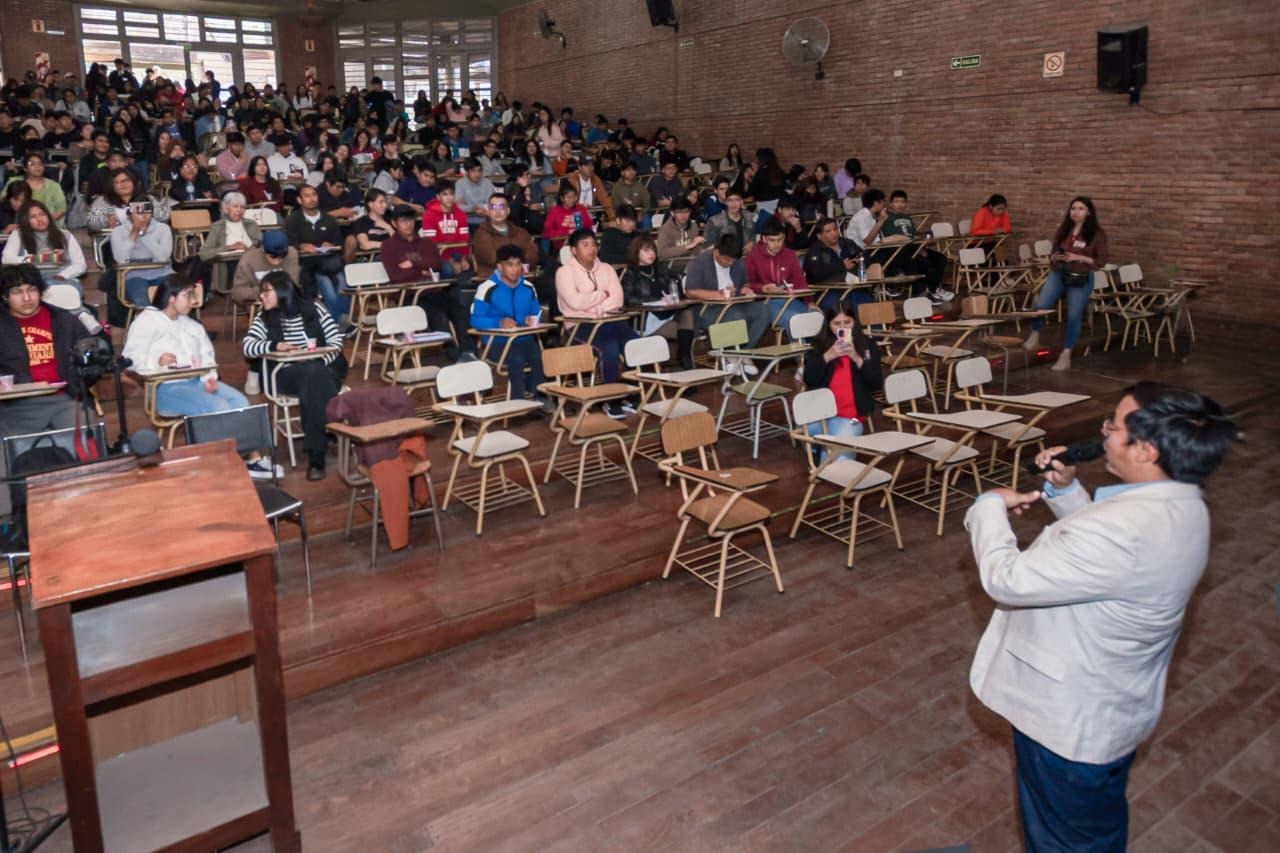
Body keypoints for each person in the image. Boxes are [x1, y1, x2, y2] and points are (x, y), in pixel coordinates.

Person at [966, 383, 1241, 853]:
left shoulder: (1124, 530)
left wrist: (988, 507)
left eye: (1115, 423)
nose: (1105, 429)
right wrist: (1067, 489)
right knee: (1094, 828)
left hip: (1069, 721)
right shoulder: (1183, 504)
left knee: (1063, 841)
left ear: (1147, 449)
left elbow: (1007, 579)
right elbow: (1107, 565)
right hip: (1113, 707)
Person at [121, 275, 283, 479]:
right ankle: (230, 463)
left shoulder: (191, 325)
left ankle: (252, 459)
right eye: (188, 296)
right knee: (218, 408)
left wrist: (210, 377)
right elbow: (129, 358)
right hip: (165, 387)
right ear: (171, 297)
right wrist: (156, 360)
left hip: (196, 381)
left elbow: (207, 356)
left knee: (240, 402)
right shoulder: (147, 320)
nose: (193, 302)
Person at [242, 271, 346, 480]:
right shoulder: (264, 317)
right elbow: (248, 347)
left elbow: (336, 342)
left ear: (282, 291)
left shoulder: (314, 309)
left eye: (266, 291)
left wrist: (317, 361)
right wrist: (275, 345)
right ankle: (328, 432)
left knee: (313, 374)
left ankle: (317, 455)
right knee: (314, 375)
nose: (262, 296)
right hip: (284, 375)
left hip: (321, 369)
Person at [555, 229, 636, 417]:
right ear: (574, 250)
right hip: (579, 325)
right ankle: (610, 399)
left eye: (593, 244)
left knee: (635, 343)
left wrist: (597, 305)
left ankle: (629, 393)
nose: (591, 248)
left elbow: (618, 299)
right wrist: (601, 296)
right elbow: (574, 302)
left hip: (609, 319)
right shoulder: (564, 272)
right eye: (585, 245)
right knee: (609, 348)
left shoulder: (606, 268)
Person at [1024, 196, 1110, 371]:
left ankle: (1066, 354)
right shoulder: (1064, 229)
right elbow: (1054, 250)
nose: (1076, 212)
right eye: (1073, 208)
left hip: (1080, 276)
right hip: (1059, 272)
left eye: (1080, 208)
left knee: (1073, 315)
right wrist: (1055, 257)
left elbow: (1100, 261)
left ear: (1089, 212)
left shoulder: (1097, 234)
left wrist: (1078, 257)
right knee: (1041, 305)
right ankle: (1035, 334)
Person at [381, 204, 475, 362]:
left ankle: (470, 353)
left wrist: (413, 265)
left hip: (434, 291)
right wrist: (423, 270)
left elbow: (436, 264)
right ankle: (456, 358)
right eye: (403, 221)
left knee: (461, 311)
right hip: (410, 295)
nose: (408, 224)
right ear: (394, 223)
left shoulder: (426, 242)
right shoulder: (389, 246)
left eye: (410, 220)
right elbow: (396, 275)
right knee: (439, 318)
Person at [470, 244, 554, 413]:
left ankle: (538, 395)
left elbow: (536, 311)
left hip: (524, 338)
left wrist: (533, 318)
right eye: (510, 264)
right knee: (516, 358)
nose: (515, 269)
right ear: (500, 267)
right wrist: (498, 322)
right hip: (497, 342)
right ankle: (518, 401)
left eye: (518, 264)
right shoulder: (487, 288)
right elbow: (475, 319)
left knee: (539, 356)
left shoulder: (528, 287)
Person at [801, 305, 882, 461]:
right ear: (828, 325)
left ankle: (824, 448)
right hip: (820, 413)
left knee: (834, 465)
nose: (843, 327)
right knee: (805, 428)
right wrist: (828, 356)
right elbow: (810, 379)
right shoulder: (819, 345)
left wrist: (857, 358)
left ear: (855, 322)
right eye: (837, 324)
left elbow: (875, 383)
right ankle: (818, 445)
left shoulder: (867, 346)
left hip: (850, 416)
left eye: (847, 322)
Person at [683, 234, 771, 357]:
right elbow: (690, 292)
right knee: (736, 316)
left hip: (735, 303)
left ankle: (743, 352)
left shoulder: (737, 262)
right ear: (716, 252)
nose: (730, 263)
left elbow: (745, 282)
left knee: (764, 310)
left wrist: (746, 289)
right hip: (708, 308)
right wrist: (718, 294)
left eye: (733, 261)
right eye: (727, 260)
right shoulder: (699, 263)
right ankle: (731, 354)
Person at [621, 235, 695, 369]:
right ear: (636, 253)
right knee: (685, 331)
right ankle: (684, 362)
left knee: (687, 314)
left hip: (668, 312)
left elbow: (676, 287)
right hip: (647, 318)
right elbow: (628, 299)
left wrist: (673, 296)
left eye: (653, 250)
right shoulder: (630, 274)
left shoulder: (660, 268)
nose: (651, 254)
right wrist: (655, 301)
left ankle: (684, 359)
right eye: (646, 250)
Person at [284, 183, 349, 323]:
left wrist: (331, 245)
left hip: (330, 261)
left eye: (313, 194)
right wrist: (301, 246)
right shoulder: (293, 220)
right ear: (299, 200)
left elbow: (340, 243)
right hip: (308, 265)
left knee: (343, 284)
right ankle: (335, 323)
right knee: (326, 285)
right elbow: (289, 244)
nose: (311, 199)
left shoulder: (329, 219)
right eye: (306, 196)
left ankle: (344, 320)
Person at [744, 220, 817, 340]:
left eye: (780, 240)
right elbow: (747, 284)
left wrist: (810, 302)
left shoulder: (790, 254)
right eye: (772, 240)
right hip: (765, 302)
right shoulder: (753, 256)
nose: (777, 244)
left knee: (816, 316)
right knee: (793, 320)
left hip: (788, 299)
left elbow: (799, 281)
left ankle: (816, 355)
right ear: (764, 239)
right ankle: (802, 356)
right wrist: (762, 288)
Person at [880, 189, 952, 302]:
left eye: (902, 202)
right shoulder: (886, 218)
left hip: (914, 246)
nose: (899, 204)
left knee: (940, 258)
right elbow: (890, 237)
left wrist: (921, 247)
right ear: (890, 203)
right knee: (923, 263)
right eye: (896, 201)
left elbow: (913, 235)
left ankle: (934, 289)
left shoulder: (907, 218)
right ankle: (923, 292)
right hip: (899, 249)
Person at [2, 201, 86, 290]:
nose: (39, 219)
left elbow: (80, 264)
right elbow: (7, 259)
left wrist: (61, 276)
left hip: (63, 279)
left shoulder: (65, 234)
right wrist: (36, 258)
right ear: (25, 220)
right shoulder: (18, 234)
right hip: (30, 282)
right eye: (33, 217)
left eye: (42, 214)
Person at [110, 200, 173, 309]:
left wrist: (144, 235)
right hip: (132, 275)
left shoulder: (163, 228)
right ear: (129, 213)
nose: (143, 216)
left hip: (162, 272)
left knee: (171, 298)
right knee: (142, 299)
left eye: (147, 211)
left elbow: (163, 257)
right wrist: (134, 232)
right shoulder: (118, 231)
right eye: (138, 211)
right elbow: (121, 259)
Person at [471, 192, 538, 283]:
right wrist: (518, 258)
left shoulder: (521, 232)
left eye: (502, 207)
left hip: (522, 280)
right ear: (488, 212)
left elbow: (532, 256)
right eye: (493, 207)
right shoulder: (481, 234)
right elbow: (491, 258)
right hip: (493, 282)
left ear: (508, 211)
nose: (498, 211)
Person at [803, 217, 861, 307]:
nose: (833, 233)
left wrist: (858, 261)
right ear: (819, 236)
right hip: (828, 291)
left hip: (854, 287)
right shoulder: (815, 251)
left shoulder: (847, 243)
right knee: (837, 305)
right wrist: (841, 266)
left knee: (866, 301)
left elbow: (865, 256)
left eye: (835, 229)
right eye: (828, 231)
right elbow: (815, 274)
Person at [420, 180, 472, 274]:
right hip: (438, 254)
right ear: (438, 197)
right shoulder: (429, 215)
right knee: (449, 269)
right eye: (445, 194)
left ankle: (462, 287)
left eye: (451, 194)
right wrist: (451, 261)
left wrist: (464, 258)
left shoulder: (460, 214)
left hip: (457, 252)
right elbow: (432, 244)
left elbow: (464, 238)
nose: (449, 198)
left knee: (470, 264)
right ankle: (450, 288)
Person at [6, 152, 66, 222]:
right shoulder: (14, 181)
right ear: (25, 168)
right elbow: (3, 199)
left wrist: (42, 221)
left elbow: (61, 209)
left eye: (40, 164)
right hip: (19, 224)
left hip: (47, 224)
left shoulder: (53, 185)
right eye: (32, 164)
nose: (37, 166)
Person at [560, 155, 613, 222]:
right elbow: (567, 203)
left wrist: (612, 218)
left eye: (592, 165)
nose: (590, 168)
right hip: (575, 216)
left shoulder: (595, 180)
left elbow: (605, 200)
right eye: (586, 165)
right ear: (579, 167)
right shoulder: (572, 181)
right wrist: (580, 207)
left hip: (591, 216)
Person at [542, 185, 594, 252]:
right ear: (562, 198)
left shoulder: (580, 209)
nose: (572, 200)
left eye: (574, 197)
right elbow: (547, 233)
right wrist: (567, 232)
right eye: (569, 198)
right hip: (563, 246)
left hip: (582, 242)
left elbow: (590, 226)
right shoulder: (554, 211)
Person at [345, 188, 393, 260]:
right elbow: (365, 244)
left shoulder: (390, 220)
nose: (385, 205)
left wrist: (388, 227)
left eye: (385, 202)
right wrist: (386, 245)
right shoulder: (361, 222)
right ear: (370, 204)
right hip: (372, 258)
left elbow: (399, 241)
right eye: (381, 202)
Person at [703, 187, 753, 253]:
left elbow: (755, 236)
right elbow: (707, 245)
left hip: (746, 258)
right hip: (724, 259)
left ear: (742, 202)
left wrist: (752, 243)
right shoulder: (715, 221)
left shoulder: (750, 218)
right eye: (730, 200)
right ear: (726, 202)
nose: (733, 204)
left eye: (737, 200)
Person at [455, 157, 497, 227]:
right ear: (466, 172)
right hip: (466, 222)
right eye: (473, 171)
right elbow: (458, 206)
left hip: (486, 221)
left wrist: (471, 207)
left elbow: (491, 203)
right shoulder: (460, 183)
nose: (477, 174)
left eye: (479, 170)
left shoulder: (487, 182)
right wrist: (472, 208)